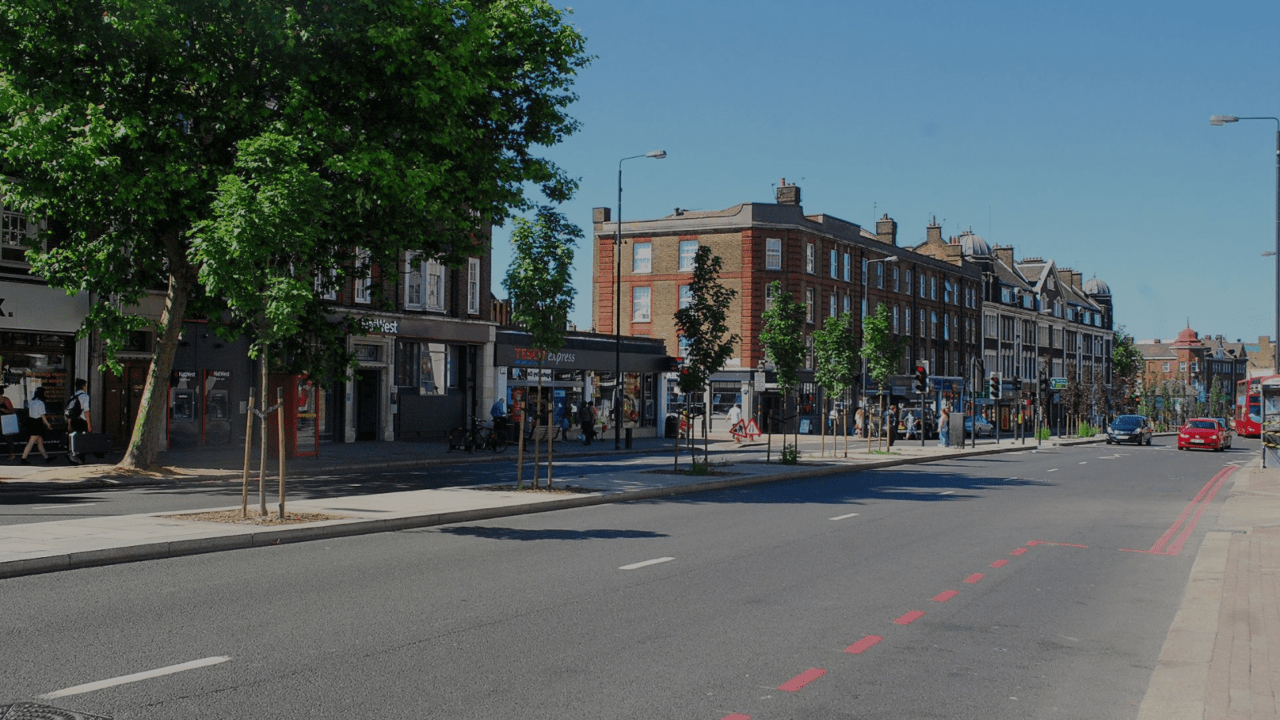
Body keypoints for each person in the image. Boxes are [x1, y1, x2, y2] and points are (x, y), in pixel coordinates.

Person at [21, 386, 52, 465]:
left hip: (31, 421)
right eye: (45, 393)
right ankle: (23, 458)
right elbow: (42, 415)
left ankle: (47, 457)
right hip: (37, 422)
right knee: (31, 442)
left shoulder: (32, 401)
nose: (45, 394)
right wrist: (48, 424)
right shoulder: (40, 403)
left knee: (39, 441)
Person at [65, 378, 92, 464]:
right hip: (81, 421)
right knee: (83, 439)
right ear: (84, 386)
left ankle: (72, 455)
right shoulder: (85, 396)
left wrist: (69, 424)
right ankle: (80, 458)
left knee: (74, 438)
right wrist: (89, 424)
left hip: (73, 420)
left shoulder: (73, 396)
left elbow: (70, 411)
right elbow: (86, 411)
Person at [0, 386, 16, 460]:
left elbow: (11, 410)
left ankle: (11, 454)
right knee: (8, 438)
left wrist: (1, 409)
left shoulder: (5, 400)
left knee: (8, 438)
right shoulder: (5, 399)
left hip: (5, 420)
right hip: (3, 420)